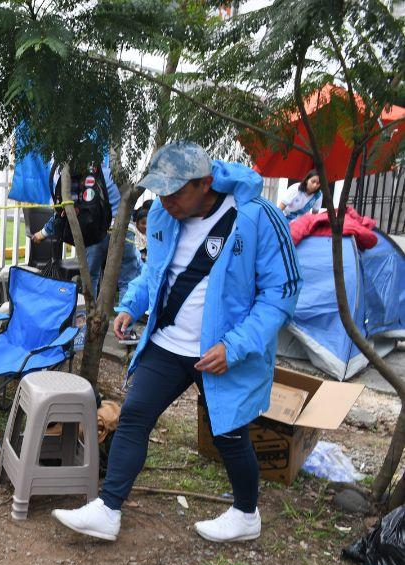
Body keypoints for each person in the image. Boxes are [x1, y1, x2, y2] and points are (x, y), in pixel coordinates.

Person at [52, 142, 300, 543]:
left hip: (222, 351)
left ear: (204, 183)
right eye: (160, 193)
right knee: (134, 416)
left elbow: (281, 294)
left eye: (175, 193)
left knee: (229, 434)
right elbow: (156, 274)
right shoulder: (166, 218)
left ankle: (246, 514)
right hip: (168, 343)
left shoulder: (256, 217)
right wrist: (131, 306)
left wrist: (234, 347)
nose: (165, 203)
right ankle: (108, 509)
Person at [31, 158, 141, 301]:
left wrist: (44, 232)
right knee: (127, 282)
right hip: (124, 231)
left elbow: (65, 210)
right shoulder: (115, 174)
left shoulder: (79, 179)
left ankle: (89, 319)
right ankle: (125, 322)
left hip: (95, 234)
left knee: (91, 280)